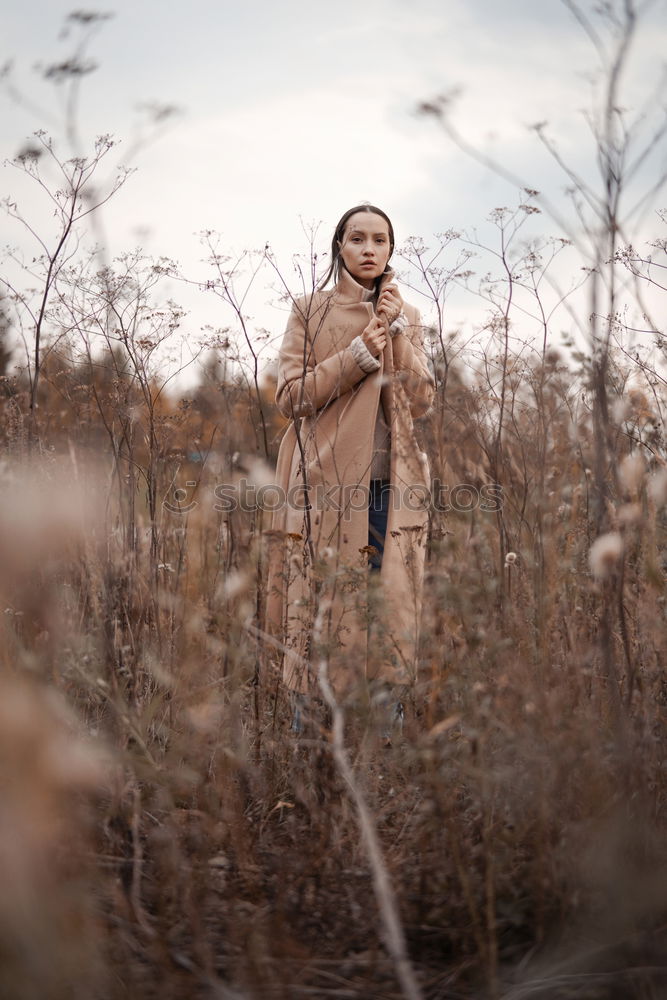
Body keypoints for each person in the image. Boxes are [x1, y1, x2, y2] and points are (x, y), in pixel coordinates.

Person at [264, 204, 434, 722]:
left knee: (389, 616)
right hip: (323, 485)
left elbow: (421, 401)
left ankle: (384, 762)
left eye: (379, 240)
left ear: (390, 250)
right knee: (318, 610)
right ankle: (310, 753)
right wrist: (358, 354)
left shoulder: (409, 315)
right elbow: (291, 396)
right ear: (339, 245)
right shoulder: (309, 310)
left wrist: (397, 332)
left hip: (390, 491)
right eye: (357, 238)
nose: (368, 249)